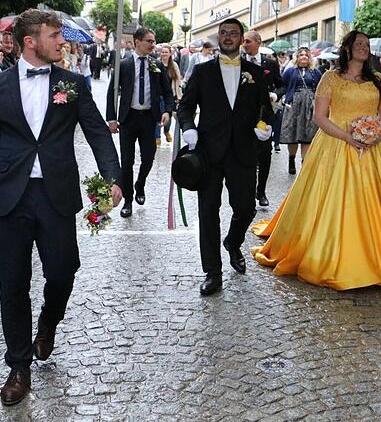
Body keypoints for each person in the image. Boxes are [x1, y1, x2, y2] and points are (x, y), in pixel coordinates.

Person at [0, 9, 122, 407]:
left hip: (56, 194)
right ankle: (18, 366)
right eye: (54, 36)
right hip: (9, 198)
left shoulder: (73, 83)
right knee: (13, 284)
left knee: (64, 270)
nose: (62, 42)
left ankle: (49, 320)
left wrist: (115, 178)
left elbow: (98, 133)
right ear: (30, 41)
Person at [252, 30, 381, 289]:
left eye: (366, 45)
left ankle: (379, 257)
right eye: (358, 44)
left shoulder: (378, 80)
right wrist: (349, 138)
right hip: (335, 144)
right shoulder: (330, 78)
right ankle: (328, 254)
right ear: (347, 48)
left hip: (374, 148)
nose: (363, 48)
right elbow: (320, 117)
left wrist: (374, 137)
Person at [179, 18, 273, 296]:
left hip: (243, 152)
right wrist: (189, 129)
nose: (228, 37)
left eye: (233, 33)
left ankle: (233, 242)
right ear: (218, 38)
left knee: (245, 208)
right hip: (208, 153)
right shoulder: (202, 71)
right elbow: (185, 107)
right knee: (208, 212)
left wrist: (264, 127)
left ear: (242, 39)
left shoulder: (255, 73)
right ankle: (213, 272)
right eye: (223, 33)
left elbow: (265, 109)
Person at [105, 27, 175, 218]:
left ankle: (140, 183)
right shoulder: (124, 65)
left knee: (149, 158)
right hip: (128, 119)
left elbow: (168, 93)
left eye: (154, 41)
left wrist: (167, 111)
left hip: (148, 119)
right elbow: (112, 91)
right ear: (137, 42)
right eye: (149, 41)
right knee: (126, 161)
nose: (153, 45)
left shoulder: (157, 66)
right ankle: (128, 201)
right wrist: (112, 118)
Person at [242, 30, 283, 207]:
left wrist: (275, 94)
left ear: (258, 42)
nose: (245, 44)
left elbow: (281, 85)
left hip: (264, 115)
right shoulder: (239, 63)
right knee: (245, 154)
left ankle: (261, 191)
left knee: (265, 154)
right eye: (243, 42)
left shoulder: (270, 64)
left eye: (248, 41)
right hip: (243, 115)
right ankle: (247, 191)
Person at [280, 46, 322, 174]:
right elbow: (282, 85)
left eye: (306, 55)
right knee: (292, 134)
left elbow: (321, 88)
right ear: (296, 58)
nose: (304, 57)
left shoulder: (316, 72)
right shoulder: (290, 71)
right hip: (293, 105)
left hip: (310, 106)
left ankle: (305, 163)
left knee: (308, 134)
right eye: (301, 55)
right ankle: (291, 159)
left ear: (310, 58)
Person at [152, 45, 179, 146]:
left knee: (168, 117)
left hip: (170, 95)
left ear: (170, 54)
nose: (164, 54)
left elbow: (177, 81)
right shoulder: (156, 64)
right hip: (158, 94)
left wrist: (178, 96)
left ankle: (166, 131)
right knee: (158, 116)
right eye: (162, 52)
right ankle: (157, 137)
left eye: (166, 52)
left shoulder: (174, 65)